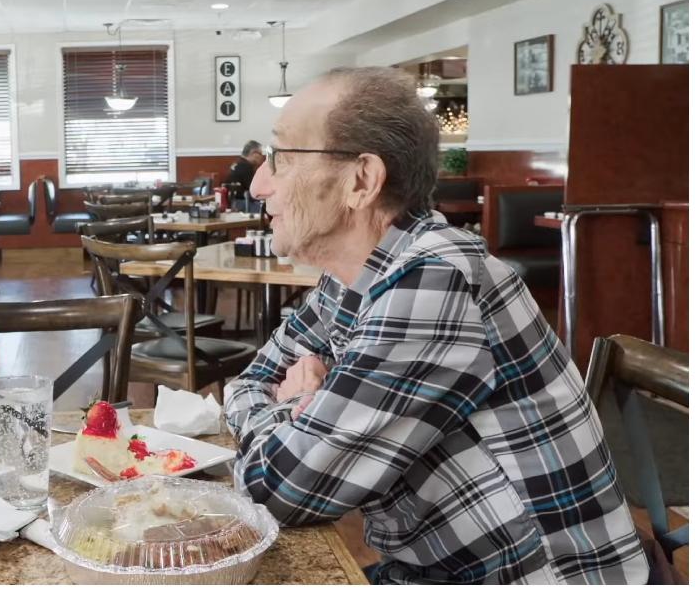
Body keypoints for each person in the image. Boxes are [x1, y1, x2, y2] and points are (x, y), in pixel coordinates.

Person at [225, 67, 647, 584]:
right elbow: (246, 383)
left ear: (361, 180)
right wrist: (297, 420)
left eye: (282, 159)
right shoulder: (353, 274)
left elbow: (281, 490)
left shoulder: (433, 281)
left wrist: (291, 406)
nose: (260, 183)